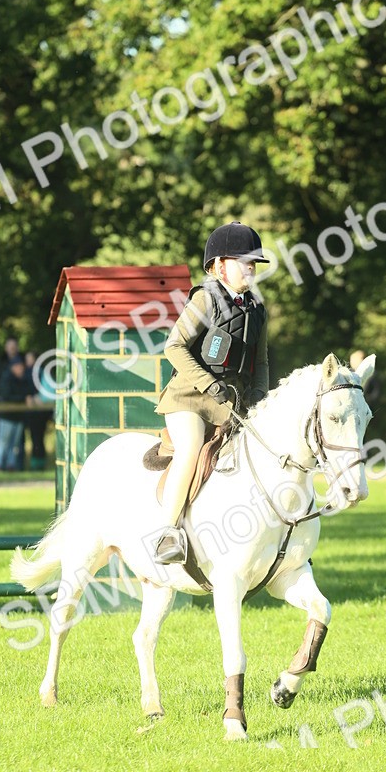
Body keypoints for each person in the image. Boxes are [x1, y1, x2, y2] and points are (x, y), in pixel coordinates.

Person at [152, 221, 270, 565]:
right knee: (190, 451)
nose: (250, 268)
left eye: (253, 264)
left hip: (231, 403)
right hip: (188, 399)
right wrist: (208, 383)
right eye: (244, 261)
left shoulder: (258, 309)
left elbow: (260, 361)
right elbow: (174, 347)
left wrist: (259, 394)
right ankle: (168, 533)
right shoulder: (206, 299)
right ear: (220, 265)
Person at [0, 354, 30, 471]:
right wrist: (23, 399)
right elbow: (7, 396)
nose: (21, 369)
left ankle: (10, 466)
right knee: (3, 443)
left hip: (17, 417)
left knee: (14, 445)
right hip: (6, 417)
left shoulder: (22, 379)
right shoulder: (6, 379)